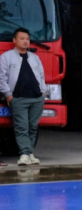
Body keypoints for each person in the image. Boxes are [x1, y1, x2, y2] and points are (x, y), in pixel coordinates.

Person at [1, 28, 49, 166]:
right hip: (18, 98)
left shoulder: (35, 58)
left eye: (27, 39)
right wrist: (9, 95)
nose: (25, 41)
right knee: (21, 127)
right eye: (22, 38)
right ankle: (23, 154)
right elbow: (1, 78)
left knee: (33, 127)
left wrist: (43, 93)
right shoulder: (6, 57)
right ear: (14, 40)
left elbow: (41, 76)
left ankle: (30, 154)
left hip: (36, 98)